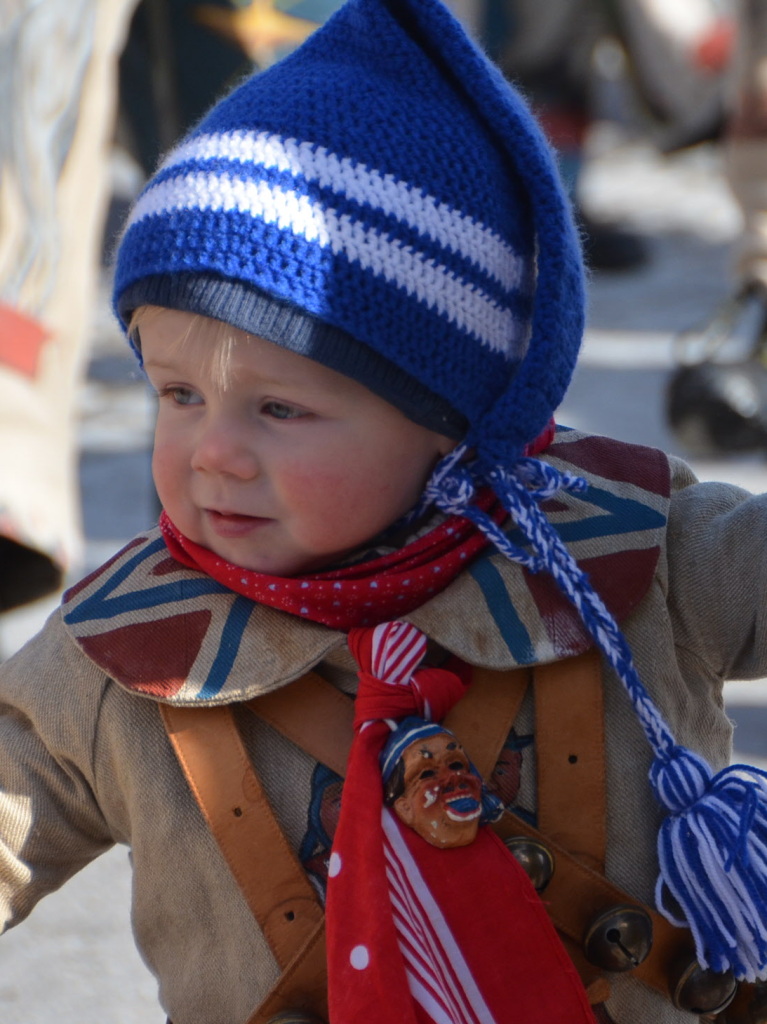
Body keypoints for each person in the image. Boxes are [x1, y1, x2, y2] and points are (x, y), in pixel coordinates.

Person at [2, 0, 767, 1022]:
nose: (212, 451)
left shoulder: (636, 554)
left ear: (451, 420)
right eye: (176, 394)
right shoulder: (117, 652)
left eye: (279, 407)